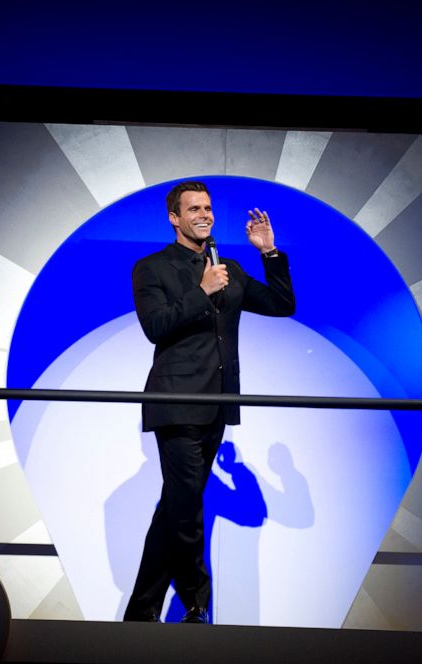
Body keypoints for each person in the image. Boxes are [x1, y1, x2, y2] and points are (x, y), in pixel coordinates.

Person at [123, 180, 296, 624]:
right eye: (193, 209)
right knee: (187, 509)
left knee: (176, 511)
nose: (204, 215)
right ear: (174, 218)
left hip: (217, 404)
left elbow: (282, 304)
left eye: (208, 208)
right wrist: (201, 291)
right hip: (175, 404)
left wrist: (269, 253)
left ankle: (141, 611)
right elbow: (156, 327)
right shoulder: (152, 267)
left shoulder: (229, 269)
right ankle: (197, 603)